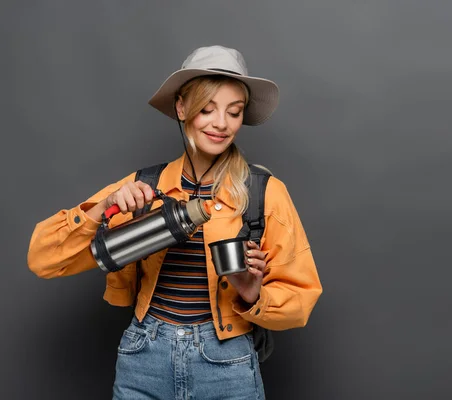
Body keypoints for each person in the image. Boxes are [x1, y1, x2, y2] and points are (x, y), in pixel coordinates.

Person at [27, 45, 322, 399]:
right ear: (182, 108)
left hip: (227, 363)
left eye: (234, 112)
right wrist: (103, 206)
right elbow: (43, 259)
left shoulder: (262, 193)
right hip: (144, 357)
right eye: (207, 109)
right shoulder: (144, 188)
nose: (221, 124)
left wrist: (252, 291)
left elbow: (300, 300)